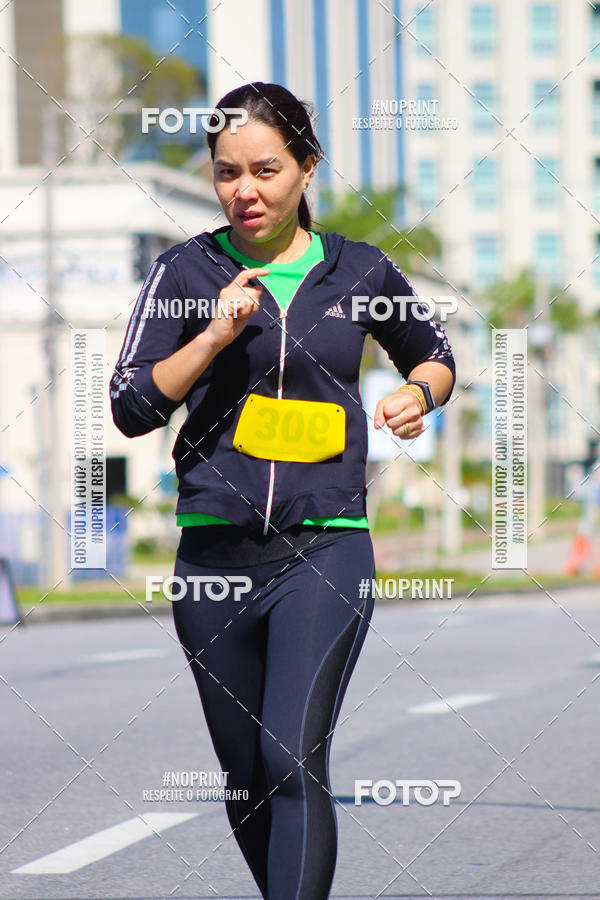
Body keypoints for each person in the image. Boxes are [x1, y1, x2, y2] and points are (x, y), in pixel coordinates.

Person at [110, 81, 456, 899]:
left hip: (326, 547)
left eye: (266, 169)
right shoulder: (183, 271)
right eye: (228, 172)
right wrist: (214, 335)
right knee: (246, 778)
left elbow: (434, 353)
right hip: (213, 559)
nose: (246, 190)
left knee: (289, 756)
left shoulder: (361, 269)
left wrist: (421, 393)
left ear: (307, 167)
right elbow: (132, 406)